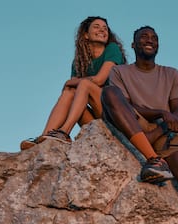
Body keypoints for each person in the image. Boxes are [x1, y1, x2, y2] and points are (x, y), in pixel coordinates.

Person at [101, 26, 178, 224]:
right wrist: (161, 112)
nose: (150, 40)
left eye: (154, 38)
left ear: (158, 45)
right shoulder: (120, 72)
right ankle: (152, 159)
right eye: (144, 36)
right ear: (134, 45)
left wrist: (164, 125)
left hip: (166, 131)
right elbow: (125, 106)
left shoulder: (171, 73)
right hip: (134, 122)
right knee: (109, 92)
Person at [20, 16, 127, 150]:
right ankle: (46, 135)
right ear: (86, 35)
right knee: (70, 91)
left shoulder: (112, 49)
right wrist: (71, 83)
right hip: (96, 121)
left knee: (83, 85)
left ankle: (65, 132)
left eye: (105, 28)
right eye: (96, 27)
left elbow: (99, 79)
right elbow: (70, 89)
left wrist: (71, 81)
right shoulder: (80, 61)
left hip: (114, 115)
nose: (102, 30)